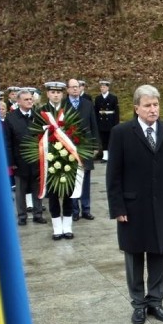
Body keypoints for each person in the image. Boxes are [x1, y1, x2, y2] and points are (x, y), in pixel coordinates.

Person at [107, 84, 163, 324]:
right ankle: (138, 303)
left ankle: (155, 301)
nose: (153, 110)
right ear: (136, 108)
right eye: (148, 105)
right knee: (134, 255)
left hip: (162, 203)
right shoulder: (121, 133)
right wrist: (118, 208)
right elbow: (113, 175)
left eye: (155, 105)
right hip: (132, 207)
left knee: (159, 252)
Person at [37, 81, 77, 240]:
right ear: (47, 94)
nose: (55, 95)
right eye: (52, 92)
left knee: (68, 194)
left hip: (67, 158)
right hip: (49, 159)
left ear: (62, 94)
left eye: (58, 92)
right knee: (53, 195)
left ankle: (67, 227)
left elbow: (76, 133)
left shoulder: (69, 110)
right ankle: (56, 228)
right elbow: (35, 135)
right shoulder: (41, 112)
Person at [4, 89, 45, 225]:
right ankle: (22, 216)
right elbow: (8, 142)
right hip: (19, 160)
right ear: (19, 101)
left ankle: (38, 213)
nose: (29, 101)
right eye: (26, 99)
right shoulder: (11, 118)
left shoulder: (38, 116)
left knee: (37, 188)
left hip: (36, 159)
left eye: (31, 99)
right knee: (20, 190)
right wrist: (11, 162)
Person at [66, 78, 100, 221]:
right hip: (68, 147)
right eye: (72, 87)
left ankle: (86, 208)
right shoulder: (63, 105)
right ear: (67, 89)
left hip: (85, 147)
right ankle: (74, 209)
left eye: (78, 86)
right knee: (72, 179)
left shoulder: (87, 104)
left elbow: (93, 125)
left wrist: (96, 145)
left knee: (85, 179)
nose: (75, 89)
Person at [95, 79, 120, 161]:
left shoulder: (113, 98)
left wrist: (116, 123)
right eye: (101, 87)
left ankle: (111, 155)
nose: (102, 88)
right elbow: (96, 111)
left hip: (110, 121)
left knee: (111, 139)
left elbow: (116, 112)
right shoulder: (98, 98)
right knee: (104, 139)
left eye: (104, 87)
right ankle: (105, 156)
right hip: (102, 121)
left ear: (108, 88)